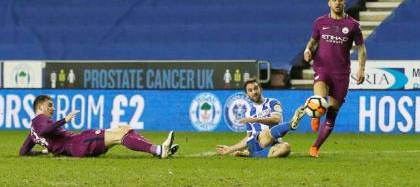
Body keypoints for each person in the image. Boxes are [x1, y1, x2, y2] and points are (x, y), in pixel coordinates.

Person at [302, 0, 367, 157]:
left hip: (341, 73)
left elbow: (361, 49)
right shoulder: (320, 22)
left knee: (332, 114)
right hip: (322, 68)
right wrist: (307, 50)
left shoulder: (353, 25)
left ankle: (315, 147)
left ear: (344, 2)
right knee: (319, 100)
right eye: (334, 0)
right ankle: (315, 115)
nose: (337, 2)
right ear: (329, 3)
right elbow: (312, 42)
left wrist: (361, 68)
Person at [20, 95, 178, 158]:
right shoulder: (40, 120)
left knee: (125, 128)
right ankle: (159, 150)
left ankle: (158, 149)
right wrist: (64, 120)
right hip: (78, 144)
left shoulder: (32, 132)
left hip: (77, 144)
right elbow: (43, 130)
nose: (52, 109)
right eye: (49, 105)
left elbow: (23, 152)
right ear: (40, 108)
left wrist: (43, 151)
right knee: (119, 136)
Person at [216, 78, 304, 158]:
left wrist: (255, 120)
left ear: (260, 89)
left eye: (255, 88)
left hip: (273, 142)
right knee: (265, 133)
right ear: (247, 94)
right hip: (255, 142)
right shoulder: (248, 112)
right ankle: (290, 125)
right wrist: (230, 148)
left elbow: (276, 119)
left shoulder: (273, 103)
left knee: (286, 147)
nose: (254, 92)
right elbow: (249, 137)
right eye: (250, 90)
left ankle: (254, 154)